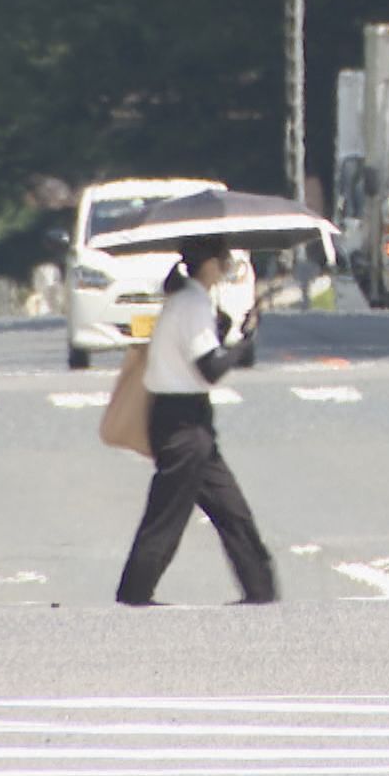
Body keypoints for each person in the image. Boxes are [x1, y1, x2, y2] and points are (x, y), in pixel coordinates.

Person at [115, 234, 276, 606]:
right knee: (166, 516)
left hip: (188, 421)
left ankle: (260, 592)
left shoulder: (189, 301)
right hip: (182, 423)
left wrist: (229, 330)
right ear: (210, 264)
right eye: (224, 260)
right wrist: (244, 346)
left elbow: (200, 352)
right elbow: (211, 367)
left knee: (231, 509)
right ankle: (134, 594)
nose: (226, 269)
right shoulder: (191, 303)